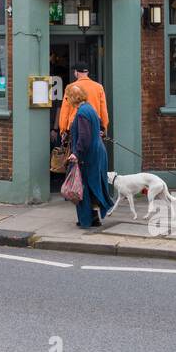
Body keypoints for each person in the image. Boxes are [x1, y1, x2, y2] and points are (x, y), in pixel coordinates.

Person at [64, 84, 115, 228]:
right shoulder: (90, 108)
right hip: (98, 152)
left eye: (68, 97)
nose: (67, 100)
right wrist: (101, 131)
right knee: (92, 186)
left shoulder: (81, 113)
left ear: (73, 98)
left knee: (83, 187)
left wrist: (76, 153)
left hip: (88, 155)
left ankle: (86, 220)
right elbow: (100, 124)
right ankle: (94, 218)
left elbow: (84, 137)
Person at [58, 61, 109, 138]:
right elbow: (103, 111)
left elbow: (65, 111)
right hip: (94, 126)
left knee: (78, 149)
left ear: (76, 72)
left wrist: (63, 130)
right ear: (87, 72)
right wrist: (104, 128)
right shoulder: (98, 87)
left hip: (75, 127)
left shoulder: (71, 88)